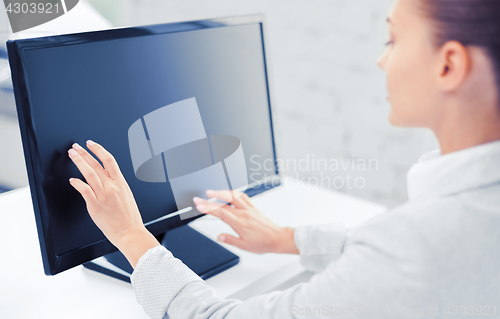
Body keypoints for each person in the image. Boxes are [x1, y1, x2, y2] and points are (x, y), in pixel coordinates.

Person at [67, 0, 500, 317]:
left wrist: (130, 235)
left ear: (449, 65)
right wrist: (287, 238)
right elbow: (399, 254)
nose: (381, 60)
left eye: (393, 39)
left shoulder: (418, 243)